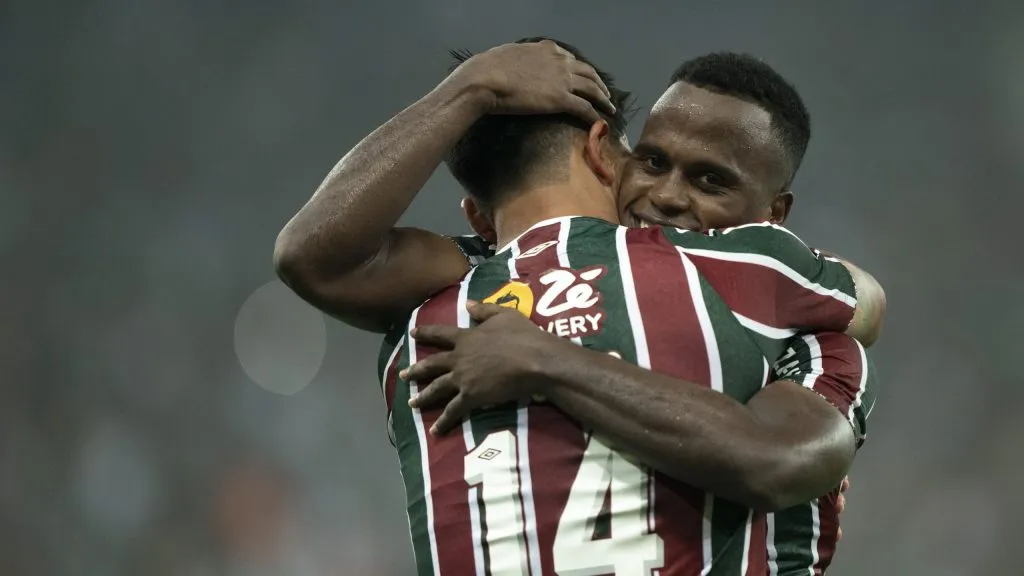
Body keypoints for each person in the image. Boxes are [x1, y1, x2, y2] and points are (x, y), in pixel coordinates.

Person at [276, 39, 883, 574]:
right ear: (605, 151)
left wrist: (547, 360)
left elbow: (778, 457)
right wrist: (473, 87)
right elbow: (312, 257)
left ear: (774, 217)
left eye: (709, 182)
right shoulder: (461, 281)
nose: (666, 197)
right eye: (651, 162)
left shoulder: (428, 312)